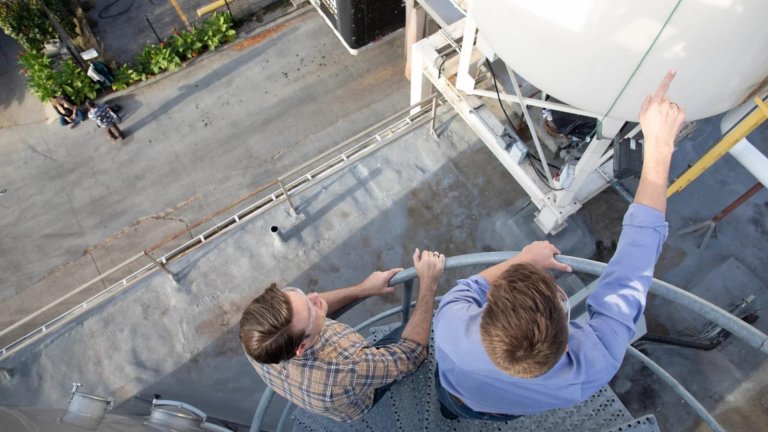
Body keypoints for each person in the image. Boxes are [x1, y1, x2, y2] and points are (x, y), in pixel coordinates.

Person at [433, 71, 686, 420]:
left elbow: (471, 286)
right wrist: (660, 148)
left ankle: (450, 413)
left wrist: (521, 259)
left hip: (458, 391)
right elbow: (630, 270)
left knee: (451, 404)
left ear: (485, 316)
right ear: (566, 342)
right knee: (493, 412)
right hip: (505, 409)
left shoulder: (449, 327)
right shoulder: (591, 368)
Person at [239, 249, 445, 422]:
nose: (315, 296)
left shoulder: (255, 334)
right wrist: (428, 282)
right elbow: (412, 354)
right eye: (311, 310)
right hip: (358, 396)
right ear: (301, 347)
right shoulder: (348, 370)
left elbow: (308, 308)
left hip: (320, 393)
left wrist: (363, 289)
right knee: (407, 334)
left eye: (299, 295)